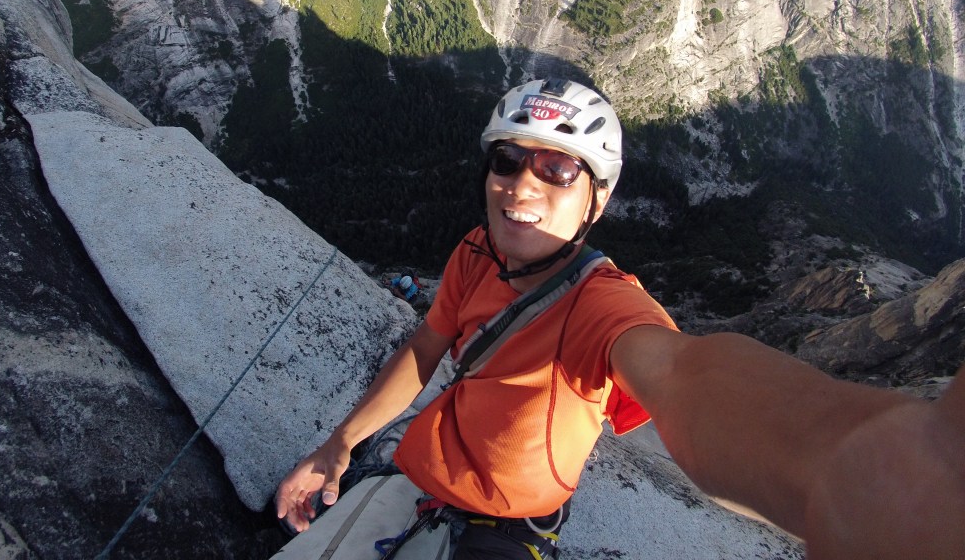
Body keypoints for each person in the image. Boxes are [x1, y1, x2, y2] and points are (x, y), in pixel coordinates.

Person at [277, 78, 965, 559]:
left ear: (595, 203)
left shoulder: (602, 304)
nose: (522, 185)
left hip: (507, 530)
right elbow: (429, 343)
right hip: (418, 474)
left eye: (558, 171)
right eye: (508, 160)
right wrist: (341, 444)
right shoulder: (474, 253)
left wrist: (839, 470)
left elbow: (683, 373)